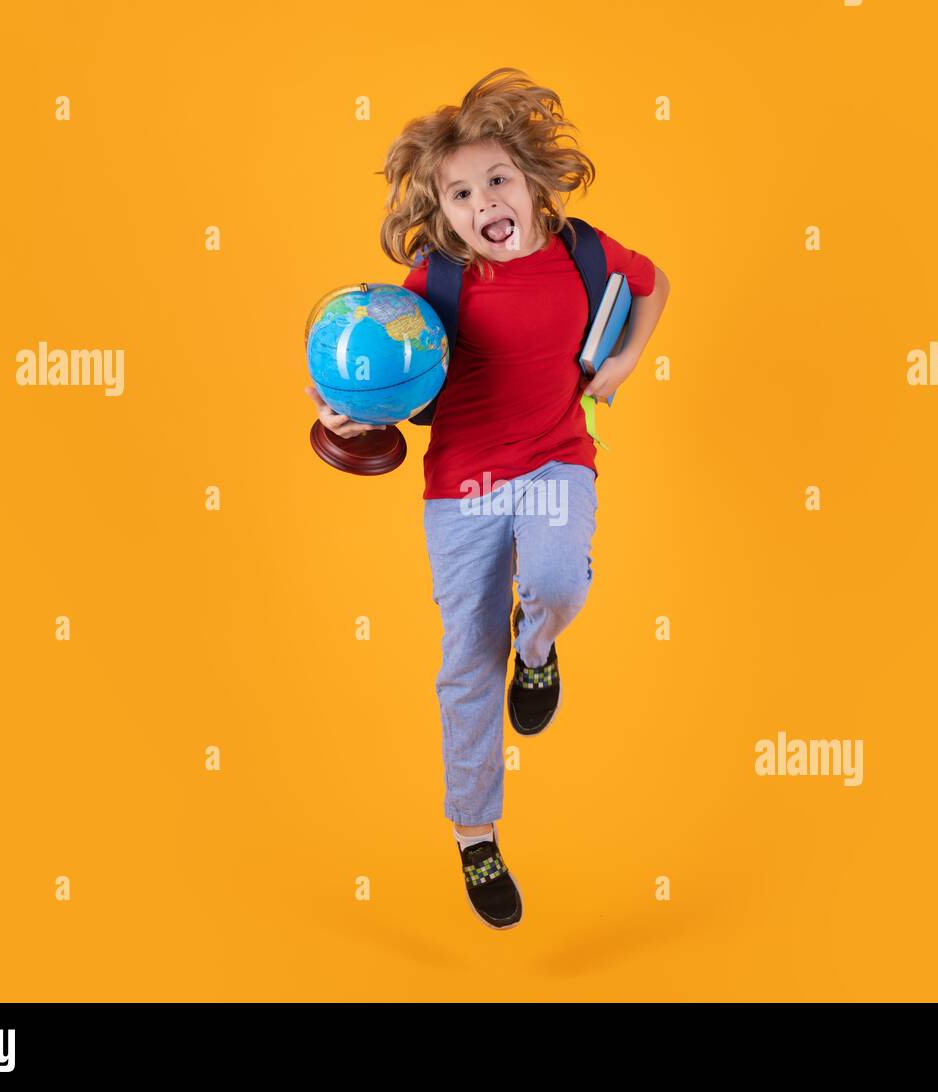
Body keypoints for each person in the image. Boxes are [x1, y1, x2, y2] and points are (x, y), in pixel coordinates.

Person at [304, 68, 670, 930]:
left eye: (496, 180)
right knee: (467, 663)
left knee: (558, 580)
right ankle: (476, 836)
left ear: (534, 181)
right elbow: (395, 388)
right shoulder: (434, 285)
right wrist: (348, 421)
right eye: (459, 193)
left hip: (553, 461)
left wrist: (625, 362)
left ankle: (536, 648)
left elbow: (652, 284)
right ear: (442, 210)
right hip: (460, 487)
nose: (482, 203)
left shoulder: (585, 250)